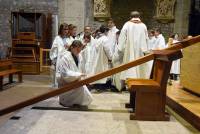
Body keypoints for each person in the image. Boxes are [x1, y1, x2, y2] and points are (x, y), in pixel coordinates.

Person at [113, 11, 149, 82]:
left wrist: (121, 49)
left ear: (130, 17)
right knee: (140, 70)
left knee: (130, 67)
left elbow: (122, 38)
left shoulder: (127, 25)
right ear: (139, 17)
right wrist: (145, 50)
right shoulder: (143, 26)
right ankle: (139, 83)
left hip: (129, 51)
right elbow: (146, 39)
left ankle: (130, 84)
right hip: (140, 52)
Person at [56, 40, 93, 107]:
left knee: (87, 95)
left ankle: (76, 102)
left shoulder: (79, 56)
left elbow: (80, 69)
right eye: (77, 49)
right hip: (66, 84)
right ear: (72, 48)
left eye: (80, 49)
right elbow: (65, 73)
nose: (79, 51)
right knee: (81, 90)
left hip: (75, 81)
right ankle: (67, 101)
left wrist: (84, 77)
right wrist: (78, 75)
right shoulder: (65, 58)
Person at [50, 23, 68, 88]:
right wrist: (54, 59)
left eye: (67, 29)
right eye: (64, 29)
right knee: (58, 74)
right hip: (59, 59)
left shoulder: (68, 38)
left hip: (66, 59)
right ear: (61, 30)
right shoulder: (57, 38)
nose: (66, 31)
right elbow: (53, 49)